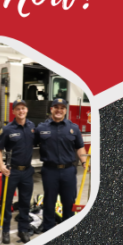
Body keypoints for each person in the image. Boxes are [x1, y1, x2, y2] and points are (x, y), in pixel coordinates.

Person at [36, 98, 88, 232]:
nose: (59, 110)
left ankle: (68, 228)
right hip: (49, 170)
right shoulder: (41, 128)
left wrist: (84, 162)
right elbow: (29, 143)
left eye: (62, 108)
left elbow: (80, 148)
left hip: (68, 171)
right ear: (51, 109)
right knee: (49, 201)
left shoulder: (73, 128)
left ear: (66, 110)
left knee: (69, 201)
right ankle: (48, 229)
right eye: (56, 107)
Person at [0, 99, 36, 245]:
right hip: (11, 172)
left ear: (27, 110)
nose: (21, 111)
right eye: (18, 109)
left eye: (23, 108)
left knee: (25, 203)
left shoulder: (32, 127)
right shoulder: (7, 129)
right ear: (13, 111)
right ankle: (5, 230)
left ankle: (23, 230)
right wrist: (1, 166)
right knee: (7, 203)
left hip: (27, 172)